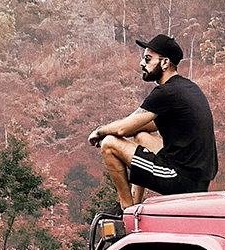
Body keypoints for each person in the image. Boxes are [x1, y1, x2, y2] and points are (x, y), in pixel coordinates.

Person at [89, 34, 218, 210]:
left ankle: (126, 209)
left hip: (180, 179)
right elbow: (140, 126)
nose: (142, 63)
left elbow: (122, 129)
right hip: (198, 179)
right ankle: (135, 202)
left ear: (165, 63)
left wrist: (99, 131)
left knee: (109, 144)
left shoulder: (166, 92)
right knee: (141, 136)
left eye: (148, 59)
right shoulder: (187, 87)